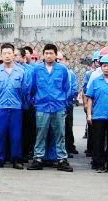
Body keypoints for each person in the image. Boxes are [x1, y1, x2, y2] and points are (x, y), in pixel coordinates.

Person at [26, 43, 73, 172]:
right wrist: (35, 101)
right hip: (42, 107)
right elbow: (32, 88)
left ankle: (62, 159)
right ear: (43, 55)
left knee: (60, 134)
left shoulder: (62, 69)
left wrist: (63, 103)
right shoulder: (37, 69)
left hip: (58, 107)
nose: (48, 55)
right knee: (40, 134)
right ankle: (38, 159)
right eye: (46, 53)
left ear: (55, 55)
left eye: (51, 53)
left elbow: (66, 87)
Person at [0, 43, 25, 169]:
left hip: (16, 107)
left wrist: (19, 102)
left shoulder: (21, 72)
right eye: (4, 53)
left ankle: (16, 159)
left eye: (9, 53)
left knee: (16, 135)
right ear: (1, 55)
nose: (7, 56)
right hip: (0, 107)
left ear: (13, 55)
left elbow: (24, 91)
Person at [85, 55, 108, 172]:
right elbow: (90, 99)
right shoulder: (95, 81)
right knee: (98, 141)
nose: (106, 68)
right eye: (104, 66)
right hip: (98, 115)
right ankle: (98, 164)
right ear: (101, 67)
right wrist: (89, 114)